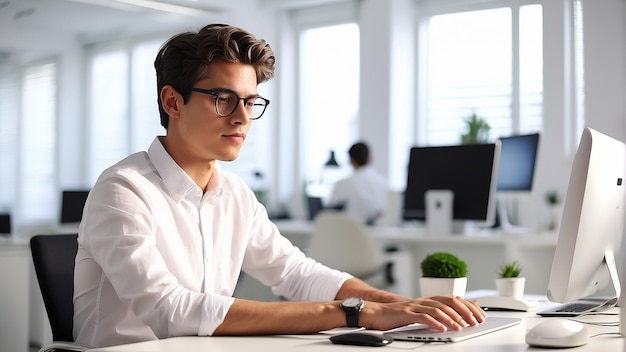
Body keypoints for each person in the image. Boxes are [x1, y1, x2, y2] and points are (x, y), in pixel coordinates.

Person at [73, 23, 486, 348]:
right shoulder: (122, 191)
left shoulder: (233, 195)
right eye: (223, 98)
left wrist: (402, 305)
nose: (242, 117)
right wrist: (354, 313)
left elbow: (296, 273)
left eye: (251, 102)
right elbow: (170, 310)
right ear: (173, 102)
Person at [326, 142, 387, 225]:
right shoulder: (383, 182)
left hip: (350, 232)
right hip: (378, 233)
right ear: (369, 158)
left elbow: (329, 206)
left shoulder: (344, 183)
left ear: (351, 160)